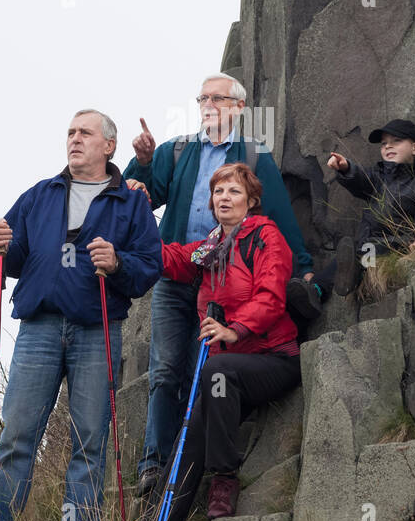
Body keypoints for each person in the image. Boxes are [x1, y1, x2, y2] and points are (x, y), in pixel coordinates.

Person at [0, 109, 163, 521]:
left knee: (91, 441)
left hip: (98, 328)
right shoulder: (40, 194)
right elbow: (12, 261)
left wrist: (117, 263)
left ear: (108, 146)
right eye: (70, 133)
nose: (74, 139)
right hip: (39, 327)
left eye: (85, 133)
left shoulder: (132, 201)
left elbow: (148, 267)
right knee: (17, 435)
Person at [123, 73, 314, 497]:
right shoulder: (178, 151)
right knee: (164, 371)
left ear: (239, 107)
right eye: (203, 97)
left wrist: (303, 270)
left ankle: (186, 464)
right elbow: (145, 195)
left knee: (202, 371)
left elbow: (280, 215)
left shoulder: (253, 154)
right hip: (179, 274)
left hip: (223, 284)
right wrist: (142, 162)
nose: (208, 103)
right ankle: (153, 465)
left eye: (217, 98)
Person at [133, 161, 300, 521]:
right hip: (222, 376)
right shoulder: (211, 246)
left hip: (272, 359)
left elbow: (271, 296)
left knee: (214, 371)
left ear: (251, 201)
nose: (223, 198)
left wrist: (234, 330)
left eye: (233, 192)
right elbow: (172, 258)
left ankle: (224, 478)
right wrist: (134, 221)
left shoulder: (265, 236)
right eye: (218, 192)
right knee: (186, 442)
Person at [295, 119, 415, 301]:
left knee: (365, 251)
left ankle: (351, 278)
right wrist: (345, 167)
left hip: (399, 244)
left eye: (396, 141)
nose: (388, 147)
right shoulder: (378, 175)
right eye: (384, 143)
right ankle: (315, 289)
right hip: (366, 244)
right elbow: (361, 179)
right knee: (353, 252)